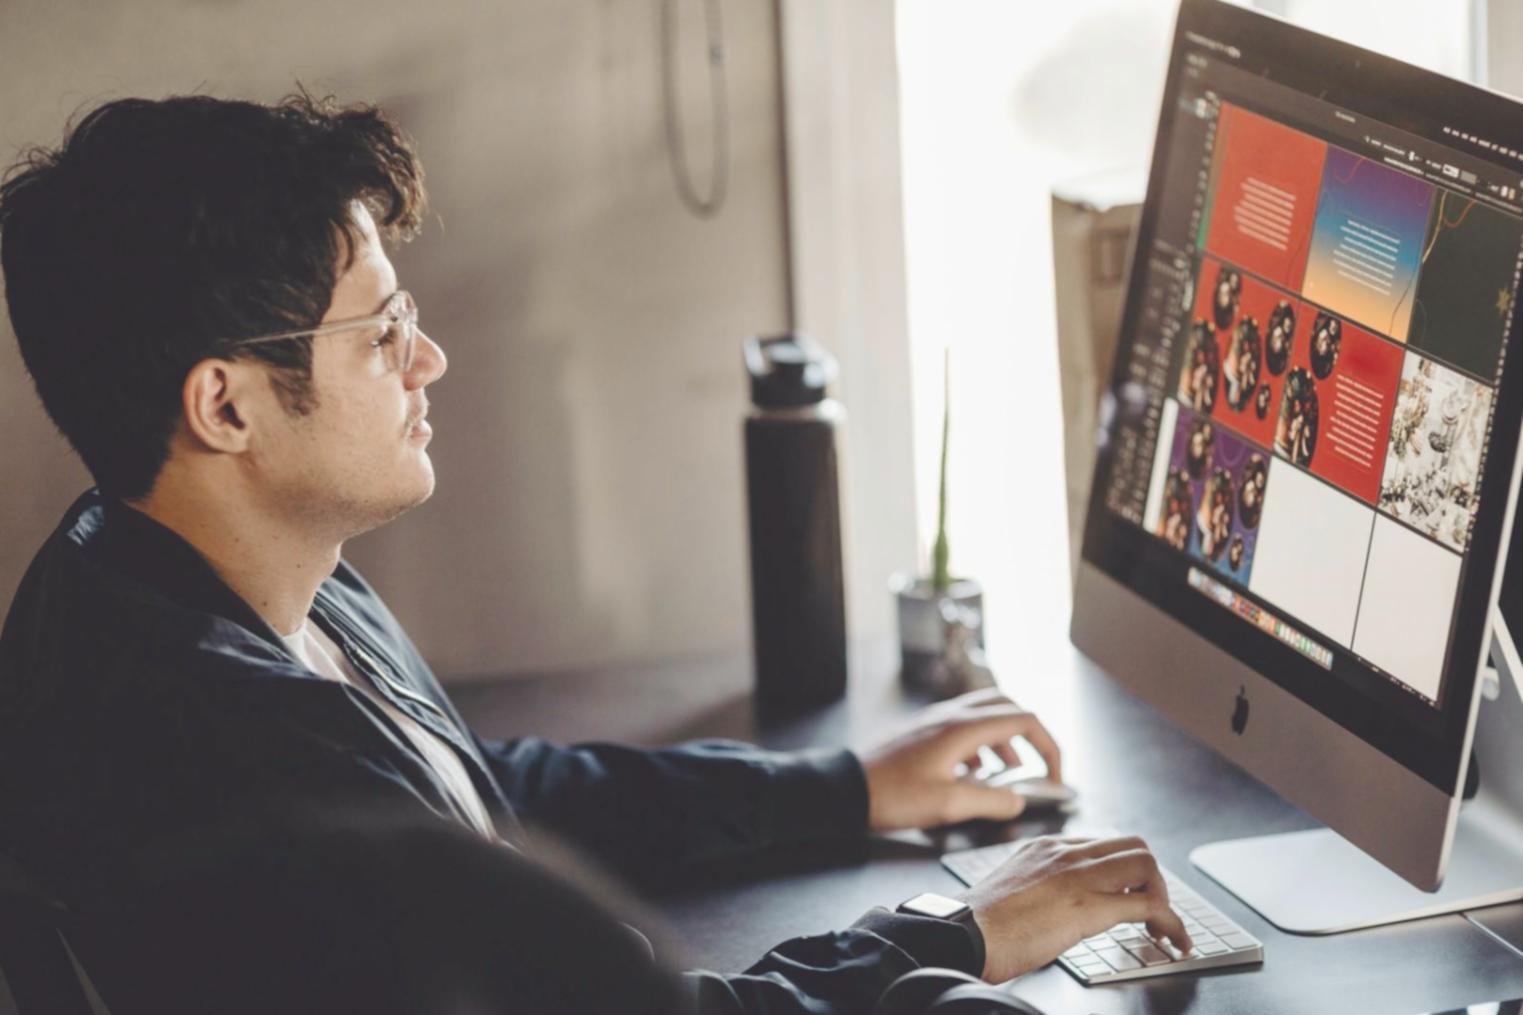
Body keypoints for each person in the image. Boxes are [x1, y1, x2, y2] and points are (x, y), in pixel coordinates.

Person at [0, 93, 1188, 1014]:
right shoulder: (238, 769)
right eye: (382, 331)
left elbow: (472, 794)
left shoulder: (164, 568)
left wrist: (841, 787)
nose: (429, 363)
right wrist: (960, 926)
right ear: (226, 406)